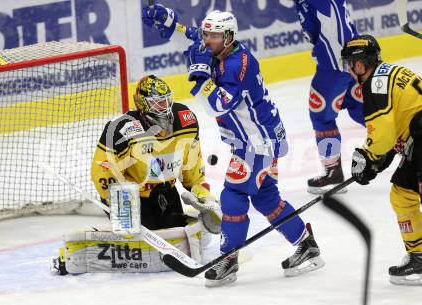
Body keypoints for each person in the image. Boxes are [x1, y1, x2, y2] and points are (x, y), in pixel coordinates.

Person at [142, 5, 325, 287]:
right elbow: (188, 37)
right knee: (266, 199)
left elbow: (218, 105)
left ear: (229, 37)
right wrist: (168, 21)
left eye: (214, 36)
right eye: (207, 34)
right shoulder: (218, 48)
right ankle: (305, 243)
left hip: (257, 143)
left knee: (233, 195)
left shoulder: (238, 64)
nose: (207, 40)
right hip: (259, 139)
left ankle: (228, 259)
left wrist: (201, 74)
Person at [52, 75, 222, 276]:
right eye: (157, 103)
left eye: (166, 101)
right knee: (137, 243)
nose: (164, 108)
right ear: (142, 104)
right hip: (130, 196)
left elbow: (192, 171)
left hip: (165, 192)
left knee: (175, 236)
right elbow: (102, 169)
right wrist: (121, 204)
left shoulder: (187, 121)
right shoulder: (121, 129)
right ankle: (71, 255)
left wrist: (204, 198)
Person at [341, 35, 422, 286]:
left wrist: (368, 156)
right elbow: (395, 130)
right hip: (418, 142)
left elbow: (383, 135)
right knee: (402, 194)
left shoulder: (374, 84)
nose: (350, 71)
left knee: (404, 194)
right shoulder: (390, 72)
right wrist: (378, 160)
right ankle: (419, 256)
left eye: (351, 64)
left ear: (362, 64)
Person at [292, 0, 365, 194]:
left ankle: (333, 172)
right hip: (348, 57)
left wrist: (346, 59)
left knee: (321, 116)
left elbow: (335, 16)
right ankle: (413, 149)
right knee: (364, 111)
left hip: (336, 61)